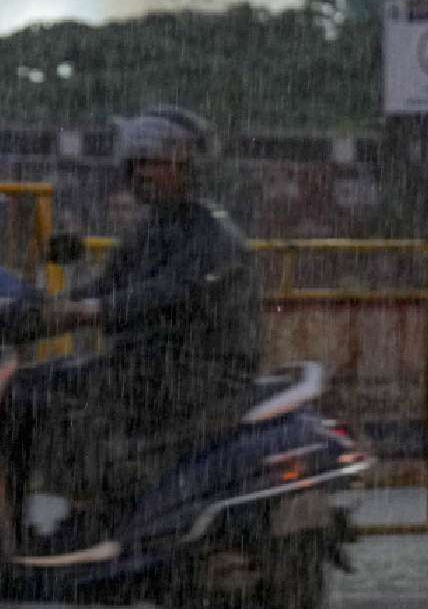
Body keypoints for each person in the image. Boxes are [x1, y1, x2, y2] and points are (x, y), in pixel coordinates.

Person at [8, 105, 262, 557]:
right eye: (138, 162)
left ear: (190, 167)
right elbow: (105, 287)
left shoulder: (210, 235)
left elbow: (163, 295)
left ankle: (102, 520)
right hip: (148, 365)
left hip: (197, 375)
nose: (143, 172)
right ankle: (29, 531)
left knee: (51, 400)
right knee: (24, 387)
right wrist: (30, 312)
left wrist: (86, 312)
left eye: (157, 162)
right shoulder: (151, 231)